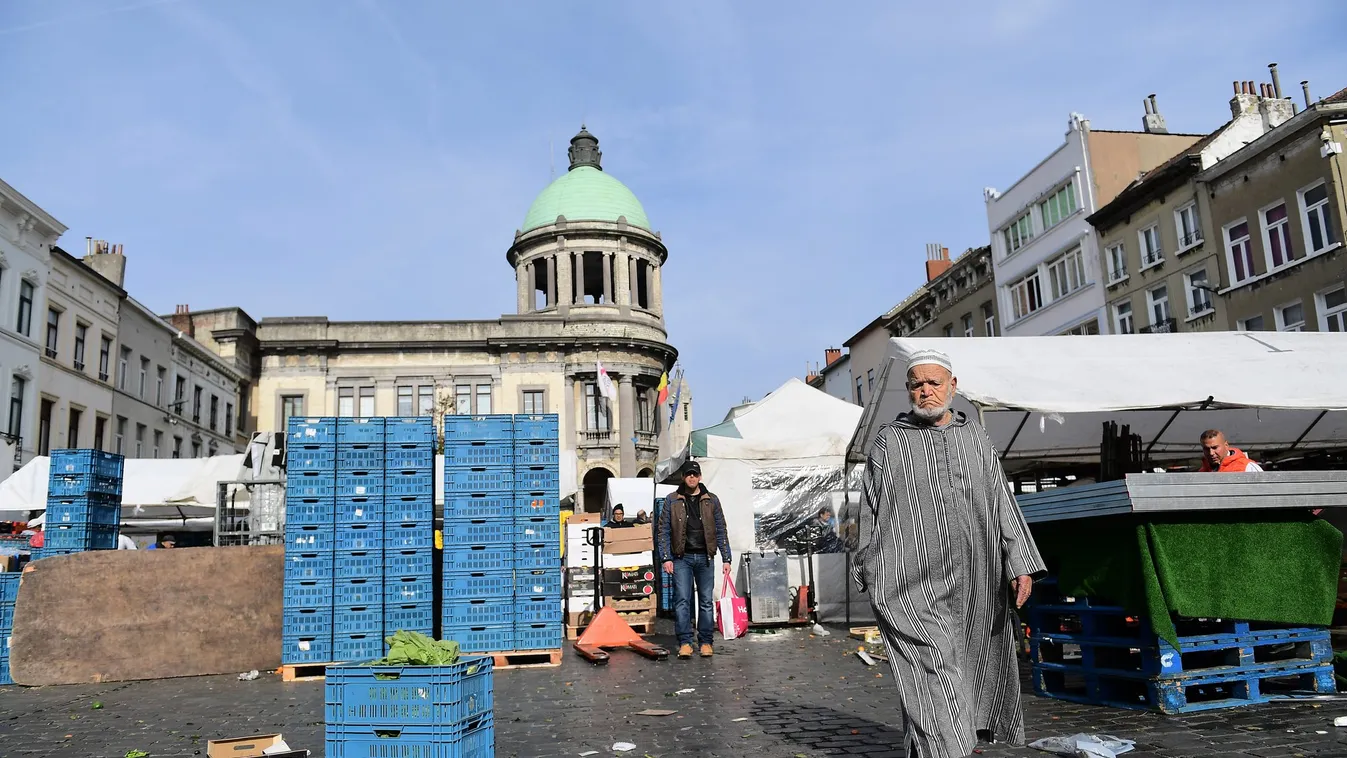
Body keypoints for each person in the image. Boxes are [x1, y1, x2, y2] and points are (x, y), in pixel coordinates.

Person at [853, 349, 1046, 758]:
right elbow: (870, 509)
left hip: (976, 580)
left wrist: (1019, 563)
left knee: (970, 669)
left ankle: (937, 748)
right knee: (932, 666)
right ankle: (950, 751)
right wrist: (869, 567)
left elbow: (1000, 501)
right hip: (908, 582)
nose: (925, 391)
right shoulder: (890, 441)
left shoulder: (975, 438)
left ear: (952, 387)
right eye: (917, 385)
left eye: (933, 383)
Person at [657, 460, 731, 659]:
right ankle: (685, 642)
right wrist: (666, 558)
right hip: (682, 557)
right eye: (688, 474)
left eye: (695, 474)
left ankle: (706, 641)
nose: (692, 477)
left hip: (706, 557)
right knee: (682, 600)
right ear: (683, 477)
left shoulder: (711, 500)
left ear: (700, 477)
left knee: (706, 600)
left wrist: (727, 558)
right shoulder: (672, 500)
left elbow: (721, 529)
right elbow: (663, 531)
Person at [1199, 430, 1264, 472]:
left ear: (1226, 445)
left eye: (1215, 447)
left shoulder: (1247, 467)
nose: (1211, 453)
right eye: (1206, 449)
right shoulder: (1203, 472)